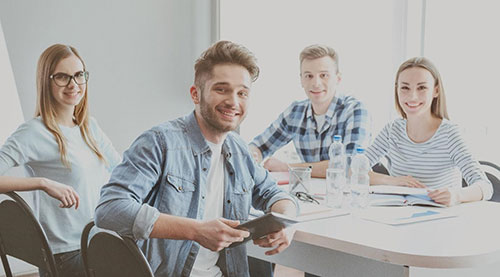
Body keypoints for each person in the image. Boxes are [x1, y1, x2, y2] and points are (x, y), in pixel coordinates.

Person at [95, 40, 296, 277]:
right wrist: (195, 230)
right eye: (221, 89)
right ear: (195, 94)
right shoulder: (160, 142)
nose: (233, 101)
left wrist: (285, 223)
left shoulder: (240, 151)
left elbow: (276, 195)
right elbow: (109, 209)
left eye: (242, 92)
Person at [0, 44, 120, 276]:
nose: (73, 84)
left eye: (78, 75)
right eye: (62, 77)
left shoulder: (89, 127)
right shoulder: (33, 132)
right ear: (47, 80)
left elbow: (121, 171)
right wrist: (43, 183)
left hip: (97, 241)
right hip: (67, 254)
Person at [365, 57, 492, 206]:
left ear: (435, 91)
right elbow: (353, 169)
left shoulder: (449, 134)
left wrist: (457, 195)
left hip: (439, 220)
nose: (412, 96)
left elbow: (485, 186)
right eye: (405, 88)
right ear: (397, 90)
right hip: (399, 217)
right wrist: (393, 181)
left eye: (422, 88)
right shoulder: (392, 130)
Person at [249, 44, 371, 178]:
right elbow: (259, 146)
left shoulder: (355, 110)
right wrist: (252, 156)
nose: (316, 83)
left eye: (324, 75)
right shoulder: (295, 112)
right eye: (309, 76)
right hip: (308, 193)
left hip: (345, 195)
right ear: (301, 80)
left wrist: (287, 167)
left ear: (338, 78)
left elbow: (350, 166)